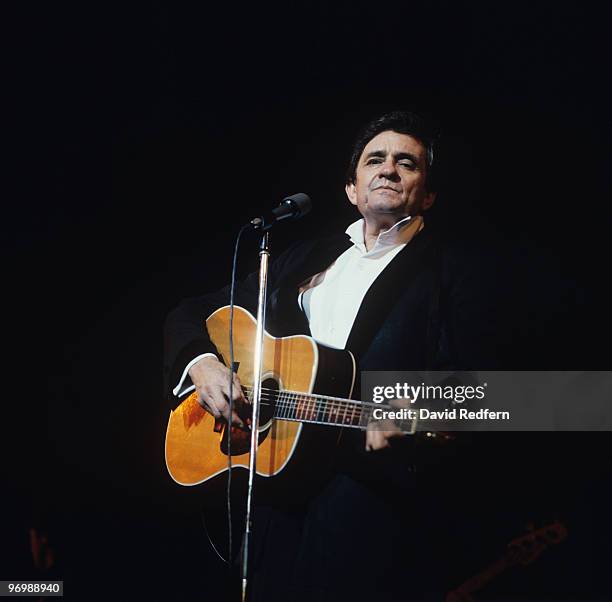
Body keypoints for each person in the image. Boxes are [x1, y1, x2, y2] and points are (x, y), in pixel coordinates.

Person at [163, 111, 498, 601]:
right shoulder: (304, 258)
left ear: (427, 194)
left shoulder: (454, 271)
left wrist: (422, 414)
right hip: (274, 497)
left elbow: (475, 384)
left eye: (407, 163)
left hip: (366, 506)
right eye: (375, 160)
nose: (388, 169)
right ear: (351, 188)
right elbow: (191, 312)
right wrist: (203, 364)